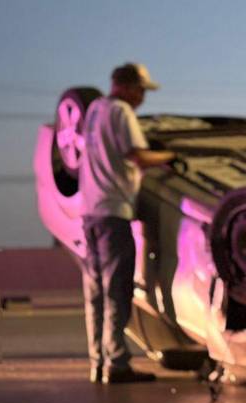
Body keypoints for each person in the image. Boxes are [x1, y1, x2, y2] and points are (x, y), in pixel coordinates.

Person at [79, 62, 176, 384]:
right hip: (113, 212)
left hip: (90, 213)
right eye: (141, 91)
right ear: (128, 87)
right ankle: (118, 364)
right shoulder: (121, 111)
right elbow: (137, 155)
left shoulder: (94, 109)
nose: (142, 100)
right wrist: (168, 157)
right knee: (117, 291)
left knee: (95, 293)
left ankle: (98, 363)